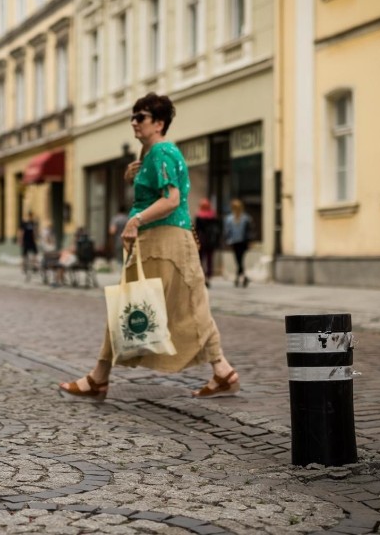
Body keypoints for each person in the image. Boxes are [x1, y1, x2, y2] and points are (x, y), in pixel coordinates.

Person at [59, 93, 239, 401]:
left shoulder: (162, 153)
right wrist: (138, 170)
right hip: (166, 240)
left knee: (131, 306)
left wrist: (135, 220)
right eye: (132, 117)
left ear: (158, 123)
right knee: (188, 307)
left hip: (163, 241)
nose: (133, 122)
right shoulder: (154, 154)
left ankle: (98, 378)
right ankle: (223, 372)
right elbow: (162, 190)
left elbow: (170, 200)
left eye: (140, 117)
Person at [224, 199, 253, 288]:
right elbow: (227, 231)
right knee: (239, 260)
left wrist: (250, 241)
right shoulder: (230, 218)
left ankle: (239, 277)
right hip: (236, 242)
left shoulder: (245, 218)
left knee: (239, 260)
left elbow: (249, 230)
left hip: (241, 241)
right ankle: (242, 276)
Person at [194, 198, 220, 287]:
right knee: (210, 259)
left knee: (201, 259)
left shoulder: (199, 216)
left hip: (202, 240)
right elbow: (217, 230)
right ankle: (208, 276)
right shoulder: (213, 216)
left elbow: (197, 230)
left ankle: (202, 275)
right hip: (210, 241)